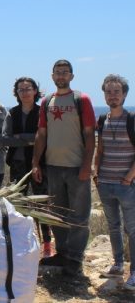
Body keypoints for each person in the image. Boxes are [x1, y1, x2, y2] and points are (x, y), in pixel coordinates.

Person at [32, 59, 95, 277]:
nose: (61, 76)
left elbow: (89, 134)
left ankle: (75, 259)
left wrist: (87, 165)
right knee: (57, 214)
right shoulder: (47, 101)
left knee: (79, 216)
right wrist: (35, 162)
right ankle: (63, 253)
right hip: (53, 166)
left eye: (65, 72)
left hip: (77, 167)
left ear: (71, 76)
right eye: (57, 72)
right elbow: (41, 133)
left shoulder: (82, 99)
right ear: (52, 76)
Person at [2, 77, 52, 257]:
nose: (24, 92)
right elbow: (5, 138)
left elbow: (44, 137)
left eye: (28, 88)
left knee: (41, 204)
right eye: (21, 89)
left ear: (35, 91)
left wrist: (21, 137)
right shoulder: (12, 113)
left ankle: (47, 244)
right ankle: (21, 242)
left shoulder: (42, 112)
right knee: (18, 204)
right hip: (17, 162)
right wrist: (30, 139)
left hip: (39, 163)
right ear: (17, 93)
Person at [94, 74, 135, 289]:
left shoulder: (132, 119)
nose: (112, 96)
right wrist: (96, 172)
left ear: (125, 94)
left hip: (126, 185)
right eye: (108, 92)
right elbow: (100, 149)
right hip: (105, 182)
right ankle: (118, 264)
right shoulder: (103, 119)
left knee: (132, 228)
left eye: (116, 92)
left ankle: (134, 272)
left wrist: (129, 177)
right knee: (113, 226)